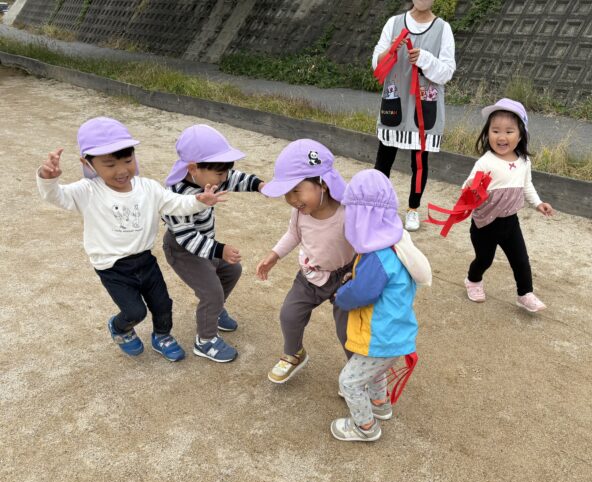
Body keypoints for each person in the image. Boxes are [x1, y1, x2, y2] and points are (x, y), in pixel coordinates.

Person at [36, 117, 227, 360]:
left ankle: (162, 336)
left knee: (163, 304)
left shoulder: (147, 187)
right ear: (88, 164)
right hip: (112, 267)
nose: (122, 170)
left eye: (128, 160)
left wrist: (198, 201)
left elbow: (175, 203)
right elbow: (57, 197)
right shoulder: (88, 191)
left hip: (145, 260)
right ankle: (120, 328)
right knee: (135, 311)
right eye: (110, 164)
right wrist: (48, 178)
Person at [331, 169, 432, 442]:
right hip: (396, 334)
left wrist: (341, 293)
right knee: (375, 373)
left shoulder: (376, 256)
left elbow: (360, 294)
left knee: (349, 382)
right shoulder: (394, 244)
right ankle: (380, 406)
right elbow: (376, 281)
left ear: (361, 218)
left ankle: (364, 427)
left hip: (381, 337)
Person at [163, 124, 265, 363]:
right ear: (193, 168)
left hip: (204, 244)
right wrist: (220, 249)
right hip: (183, 251)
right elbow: (187, 238)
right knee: (211, 291)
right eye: (220, 173)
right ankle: (205, 341)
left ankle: (215, 311)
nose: (225, 178)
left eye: (226, 172)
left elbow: (235, 178)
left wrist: (259, 184)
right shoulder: (176, 197)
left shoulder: (210, 177)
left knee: (231, 270)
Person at [255, 139, 355, 384]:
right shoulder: (299, 212)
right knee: (289, 314)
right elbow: (293, 234)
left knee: (348, 331)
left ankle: (356, 374)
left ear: (322, 184)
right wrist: (274, 254)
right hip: (310, 276)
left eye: (296, 190)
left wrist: (359, 272)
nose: (292, 199)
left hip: (345, 278)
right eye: (287, 193)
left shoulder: (348, 211)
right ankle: (294, 353)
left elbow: (365, 245)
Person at [462, 99, 555, 312]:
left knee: (521, 260)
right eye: (495, 131)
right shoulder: (485, 162)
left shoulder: (523, 161)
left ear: (521, 134)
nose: (501, 137)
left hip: (510, 222)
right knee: (484, 259)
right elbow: (467, 186)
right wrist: (470, 188)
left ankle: (525, 294)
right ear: (487, 134)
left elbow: (526, 184)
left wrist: (538, 203)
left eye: (509, 131)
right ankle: (473, 280)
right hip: (485, 223)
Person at [372, 0, 456, 231]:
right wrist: (391, 50)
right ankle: (378, 206)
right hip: (396, 96)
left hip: (424, 101)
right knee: (383, 158)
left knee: (419, 161)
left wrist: (425, 59)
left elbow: (447, 72)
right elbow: (376, 61)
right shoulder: (394, 23)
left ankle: (412, 209)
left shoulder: (443, 28)